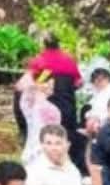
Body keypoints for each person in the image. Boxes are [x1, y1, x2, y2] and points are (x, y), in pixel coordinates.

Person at [27, 34, 83, 169]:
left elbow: (31, 81)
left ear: (44, 45)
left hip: (47, 104)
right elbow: (79, 82)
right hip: (67, 104)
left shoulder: (39, 60)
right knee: (67, 135)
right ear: (59, 44)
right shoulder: (69, 60)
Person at [16, 73, 61, 165]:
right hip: (36, 148)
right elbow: (22, 85)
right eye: (48, 83)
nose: (52, 86)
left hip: (43, 148)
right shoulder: (31, 103)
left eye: (52, 84)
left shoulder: (52, 108)